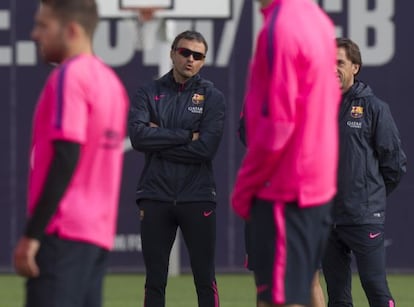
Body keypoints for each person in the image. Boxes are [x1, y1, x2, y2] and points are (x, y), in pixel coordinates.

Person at [12, 1, 129, 306]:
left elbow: (66, 156)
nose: (35, 34)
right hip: (97, 238)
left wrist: (32, 234)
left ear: (73, 30)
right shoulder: (112, 85)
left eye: (43, 25)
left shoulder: (71, 77)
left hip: (62, 234)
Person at [231, 0, 340, 306]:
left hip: (285, 187)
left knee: (279, 300)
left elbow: (278, 125)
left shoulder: (281, 28)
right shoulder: (318, 19)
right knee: (297, 292)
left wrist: (245, 187)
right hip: (314, 187)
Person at [128, 30, 225, 307]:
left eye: (198, 55)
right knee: (155, 280)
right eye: (185, 53)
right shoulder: (148, 92)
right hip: (156, 194)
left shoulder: (212, 97)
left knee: (205, 278)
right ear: (172, 53)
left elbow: (206, 148)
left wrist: (159, 137)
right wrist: (185, 135)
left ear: (204, 61)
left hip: (198, 196)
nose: (190, 59)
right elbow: (138, 137)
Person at [322, 37, 407, 307]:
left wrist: (370, 194)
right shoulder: (316, 108)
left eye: (339, 62)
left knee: (374, 285)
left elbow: (394, 164)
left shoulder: (374, 108)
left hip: (364, 215)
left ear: (355, 67)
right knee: (337, 295)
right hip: (326, 217)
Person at [239, 117, 326, 307]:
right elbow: (249, 136)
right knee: (264, 284)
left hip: (299, 202)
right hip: (264, 201)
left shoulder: (308, 95)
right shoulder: (258, 97)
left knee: (309, 279)